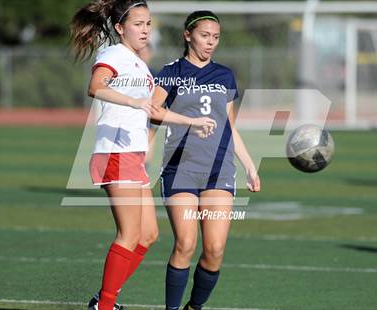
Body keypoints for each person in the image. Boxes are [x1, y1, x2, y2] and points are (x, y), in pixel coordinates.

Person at [70, 1, 216, 309]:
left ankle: (104, 300)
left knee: (148, 235)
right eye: (138, 24)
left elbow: (154, 111)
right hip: (116, 151)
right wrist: (132, 102)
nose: (145, 29)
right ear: (121, 28)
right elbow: (96, 87)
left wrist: (192, 122)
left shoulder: (138, 63)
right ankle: (105, 306)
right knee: (129, 233)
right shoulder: (114, 54)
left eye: (148, 23)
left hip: (133, 154)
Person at [150, 10, 261, 310]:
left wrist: (250, 165)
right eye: (204, 35)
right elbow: (152, 110)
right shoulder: (172, 72)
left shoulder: (224, 75)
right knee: (185, 244)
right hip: (180, 169)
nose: (211, 42)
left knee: (214, 249)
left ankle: (193, 307)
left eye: (215, 37)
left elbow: (229, 126)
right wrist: (186, 123)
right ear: (188, 35)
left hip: (218, 170)